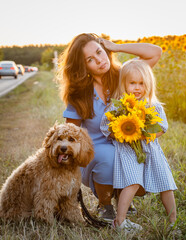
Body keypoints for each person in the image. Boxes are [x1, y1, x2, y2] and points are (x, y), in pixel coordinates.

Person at [57, 33, 162, 221]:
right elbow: (70, 133)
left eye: (99, 52)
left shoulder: (125, 75)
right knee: (109, 156)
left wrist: (117, 46)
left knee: (142, 159)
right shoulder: (80, 93)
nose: (99, 60)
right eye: (90, 59)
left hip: (127, 145)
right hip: (96, 153)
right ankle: (104, 204)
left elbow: (155, 53)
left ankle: (124, 196)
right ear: (83, 66)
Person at [100, 59, 177, 233]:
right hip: (127, 150)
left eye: (141, 83)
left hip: (151, 150)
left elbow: (163, 127)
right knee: (132, 182)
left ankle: (173, 222)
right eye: (132, 83)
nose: (137, 88)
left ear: (148, 84)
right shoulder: (118, 106)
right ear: (124, 84)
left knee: (166, 183)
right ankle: (119, 222)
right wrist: (123, 132)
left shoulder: (154, 106)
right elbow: (105, 126)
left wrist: (145, 134)